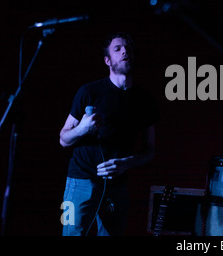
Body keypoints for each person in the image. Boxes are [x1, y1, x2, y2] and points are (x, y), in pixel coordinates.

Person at [59, 32, 158, 236]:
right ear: (108, 61)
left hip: (117, 186)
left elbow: (150, 151)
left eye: (128, 48)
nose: (125, 51)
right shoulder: (88, 92)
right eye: (118, 48)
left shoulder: (145, 100)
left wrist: (125, 163)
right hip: (80, 182)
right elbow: (63, 139)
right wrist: (83, 128)